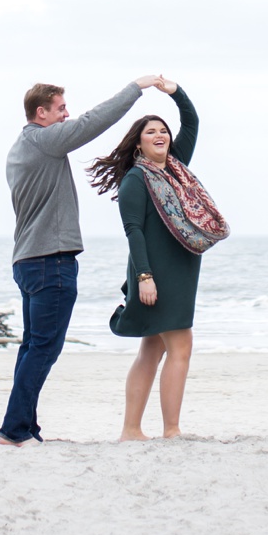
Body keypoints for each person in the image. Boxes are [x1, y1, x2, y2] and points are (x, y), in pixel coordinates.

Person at [0, 74, 166, 446]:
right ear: (41, 113)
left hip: (27, 261)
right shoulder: (44, 141)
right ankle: (13, 431)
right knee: (43, 349)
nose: (66, 115)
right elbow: (92, 122)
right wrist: (135, 89)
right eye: (60, 109)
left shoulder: (20, 147)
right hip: (50, 261)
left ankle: (24, 428)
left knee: (33, 348)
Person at [87, 81, 227, 440]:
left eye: (163, 130)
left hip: (181, 269)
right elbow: (133, 231)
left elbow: (192, 122)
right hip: (156, 274)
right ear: (139, 143)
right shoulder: (137, 178)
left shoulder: (175, 169)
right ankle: (172, 429)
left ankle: (131, 430)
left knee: (152, 349)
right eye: (151, 132)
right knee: (180, 346)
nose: (160, 135)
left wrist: (174, 90)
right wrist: (145, 277)